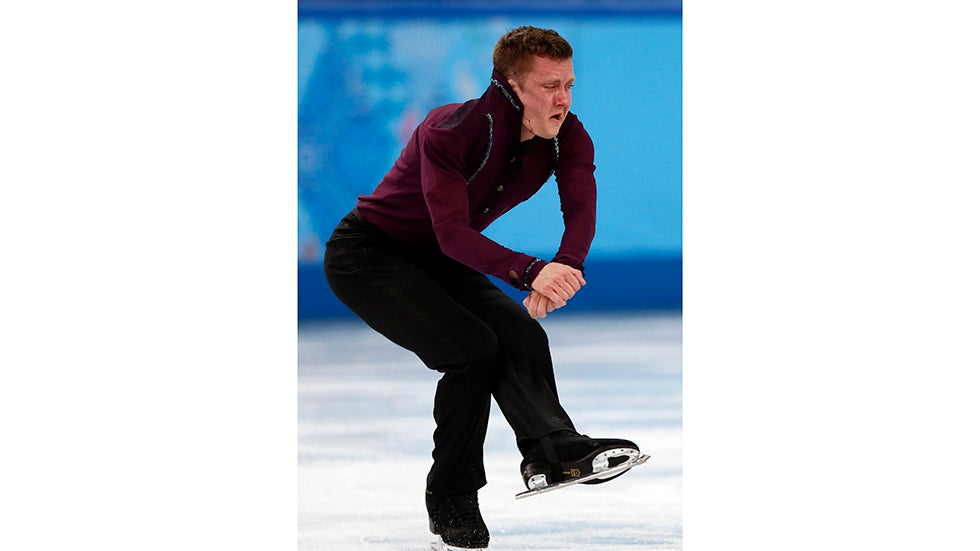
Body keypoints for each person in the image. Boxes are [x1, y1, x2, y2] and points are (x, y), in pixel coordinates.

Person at [323, 26, 641, 550]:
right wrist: (530, 271)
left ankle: (552, 451)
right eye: (548, 86)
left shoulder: (570, 135)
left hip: (435, 258)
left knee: (519, 333)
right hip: (368, 254)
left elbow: (580, 207)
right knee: (471, 350)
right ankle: (451, 498)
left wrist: (566, 266)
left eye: (569, 84)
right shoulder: (450, 129)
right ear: (509, 85)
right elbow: (451, 234)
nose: (562, 99)